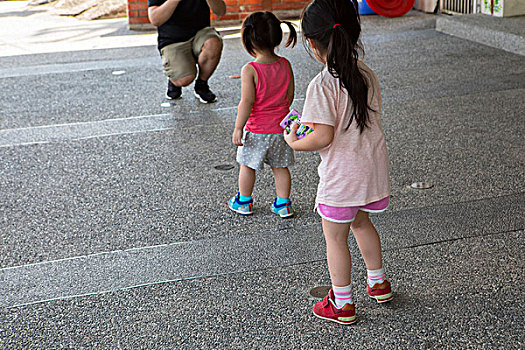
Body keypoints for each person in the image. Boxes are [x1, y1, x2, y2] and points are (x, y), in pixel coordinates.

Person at [284, 0, 393, 325]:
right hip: (370, 169)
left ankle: (342, 302)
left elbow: (322, 136)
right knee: (361, 223)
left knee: (335, 237)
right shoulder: (366, 74)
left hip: (342, 178)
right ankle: (378, 283)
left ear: (314, 46)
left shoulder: (322, 84)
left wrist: (293, 139)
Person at [228, 12, 297, 218]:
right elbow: (290, 94)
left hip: (257, 130)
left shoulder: (250, 69)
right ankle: (283, 204)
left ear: (248, 40)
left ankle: (244, 201)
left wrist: (239, 127)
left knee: (248, 166)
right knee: (281, 167)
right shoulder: (285, 64)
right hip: (280, 129)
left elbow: (247, 102)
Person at [148, 0, 226, 103]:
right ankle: (174, 80)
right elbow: (155, 19)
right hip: (172, 40)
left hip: (200, 33)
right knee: (185, 79)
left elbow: (221, 11)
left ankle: (201, 85)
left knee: (213, 43)